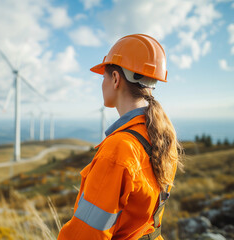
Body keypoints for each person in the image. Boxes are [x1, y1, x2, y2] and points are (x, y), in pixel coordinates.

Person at [57, 34, 183, 240]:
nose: (102, 84)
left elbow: (86, 234)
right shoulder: (162, 136)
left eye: (104, 76)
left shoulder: (119, 148)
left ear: (115, 78)